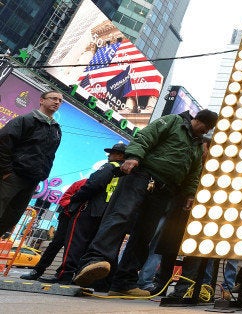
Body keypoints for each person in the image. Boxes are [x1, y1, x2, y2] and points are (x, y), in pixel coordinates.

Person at [72, 109, 217, 297]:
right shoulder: (173, 121)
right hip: (143, 176)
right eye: (206, 127)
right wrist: (133, 156)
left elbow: (194, 172)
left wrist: (190, 193)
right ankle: (93, 261)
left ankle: (124, 282)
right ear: (199, 120)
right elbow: (146, 136)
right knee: (121, 216)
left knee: (144, 233)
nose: (205, 132)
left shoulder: (197, 145)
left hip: (166, 189)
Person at [38, 143, 127, 284]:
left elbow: (93, 185)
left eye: (112, 153)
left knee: (74, 243)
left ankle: (65, 274)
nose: (109, 155)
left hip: (89, 209)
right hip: (106, 214)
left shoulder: (109, 167)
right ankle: (84, 277)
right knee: (90, 246)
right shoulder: (126, 173)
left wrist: (76, 199)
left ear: (120, 155)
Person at [0, 90, 63, 235]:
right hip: (12, 176)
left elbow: (50, 155)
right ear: (42, 100)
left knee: (11, 218)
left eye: (60, 101)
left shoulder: (56, 129)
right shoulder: (25, 120)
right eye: (54, 98)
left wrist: (42, 175)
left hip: (32, 181)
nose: (57, 102)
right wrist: (6, 171)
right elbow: (3, 143)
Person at [19, 178, 87, 281]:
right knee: (56, 243)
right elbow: (64, 199)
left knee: (75, 247)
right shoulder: (82, 183)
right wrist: (75, 205)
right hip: (68, 216)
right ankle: (37, 271)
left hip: (83, 220)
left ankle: (62, 274)